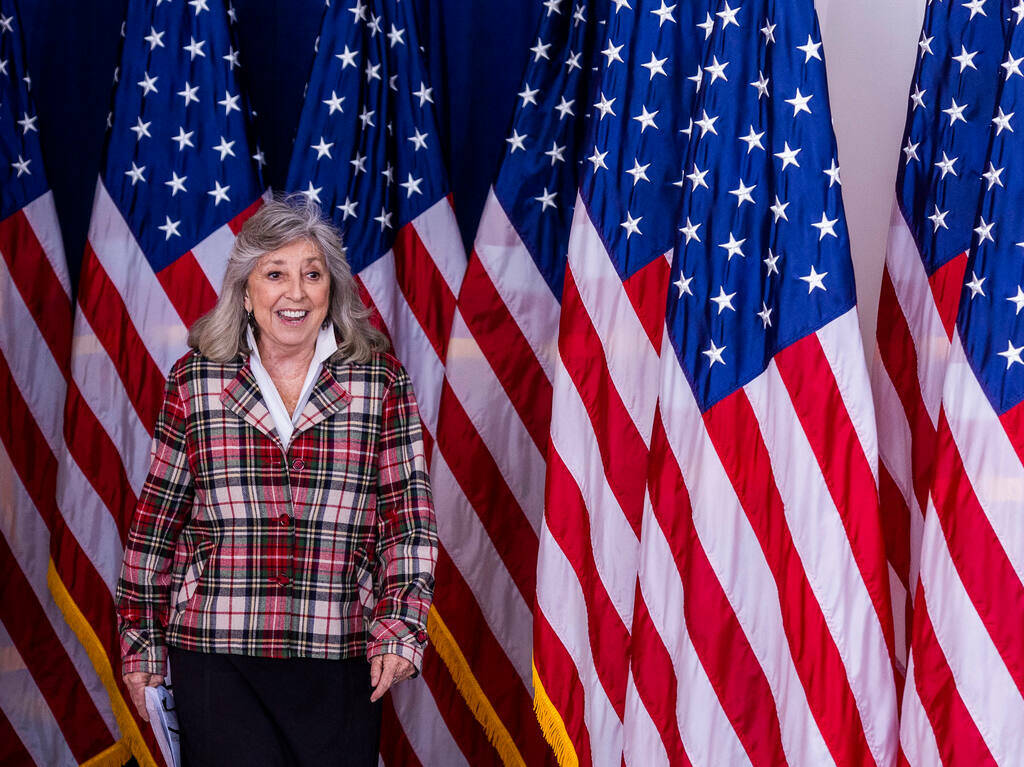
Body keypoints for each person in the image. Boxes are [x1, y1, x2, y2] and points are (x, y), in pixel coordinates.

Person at [115, 196, 437, 766]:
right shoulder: (196, 380)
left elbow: (409, 524)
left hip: (338, 649)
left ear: (331, 290)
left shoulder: (380, 381)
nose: (296, 292)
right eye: (275, 274)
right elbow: (155, 524)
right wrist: (141, 644)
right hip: (216, 650)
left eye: (312, 274)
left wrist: (402, 626)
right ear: (245, 291)